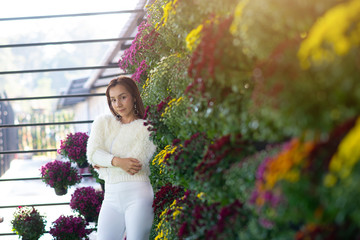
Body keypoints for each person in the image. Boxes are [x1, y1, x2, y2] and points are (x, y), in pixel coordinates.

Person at [87, 76, 156, 240]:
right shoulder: (103, 123)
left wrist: (104, 162)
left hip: (138, 195)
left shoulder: (147, 128)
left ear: (133, 97)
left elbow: (134, 165)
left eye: (123, 97)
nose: (118, 104)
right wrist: (117, 162)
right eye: (113, 99)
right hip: (110, 196)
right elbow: (92, 154)